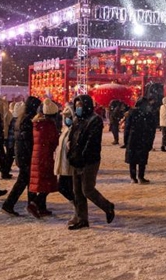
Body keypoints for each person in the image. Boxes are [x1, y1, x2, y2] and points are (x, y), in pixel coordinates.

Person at [66, 94, 115, 230]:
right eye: (76, 106)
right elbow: (72, 138)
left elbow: (91, 142)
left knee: (87, 189)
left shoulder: (95, 120)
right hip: (76, 159)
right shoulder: (77, 119)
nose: (78, 108)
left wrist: (83, 155)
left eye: (80, 106)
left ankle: (107, 206)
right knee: (77, 191)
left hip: (89, 160)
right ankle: (82, 219)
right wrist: (72, 154)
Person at [1, 96, 41, 214]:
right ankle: (9, 204)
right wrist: (33, 155)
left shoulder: (21, 118)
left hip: (21, 154)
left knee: (28, 181)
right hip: (26, 156)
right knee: (23, 181)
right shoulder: (28, 120)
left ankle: (31, 204)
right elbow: (28, 140)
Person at [27, 99, 60, 218]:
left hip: (37, 156)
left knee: (42, 183)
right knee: (47, 182)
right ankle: (35, 203)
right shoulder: (48, 125)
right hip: (45, 156)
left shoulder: (37, 123)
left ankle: (41, 207)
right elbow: (54, 141)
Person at [124, 96, 157, 184]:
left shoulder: (132, 113)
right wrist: (150, 140)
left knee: (132, 159)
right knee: (142, 159)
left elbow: (127, 127)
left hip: (133, 138)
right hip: (144, 138)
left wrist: (126, 140)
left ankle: (133, 177)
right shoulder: (149, 114)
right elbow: (152, 129)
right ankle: (141, 177)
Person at [55, 104, 75, 203]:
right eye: (65, 117)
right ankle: (78, 208)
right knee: (64, 188)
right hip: (64, 164)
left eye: (69, 117)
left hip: (70, 165)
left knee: (65, 188)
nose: (67, 119)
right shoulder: (66, 130)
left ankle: (78, 208)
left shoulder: (74, 130)